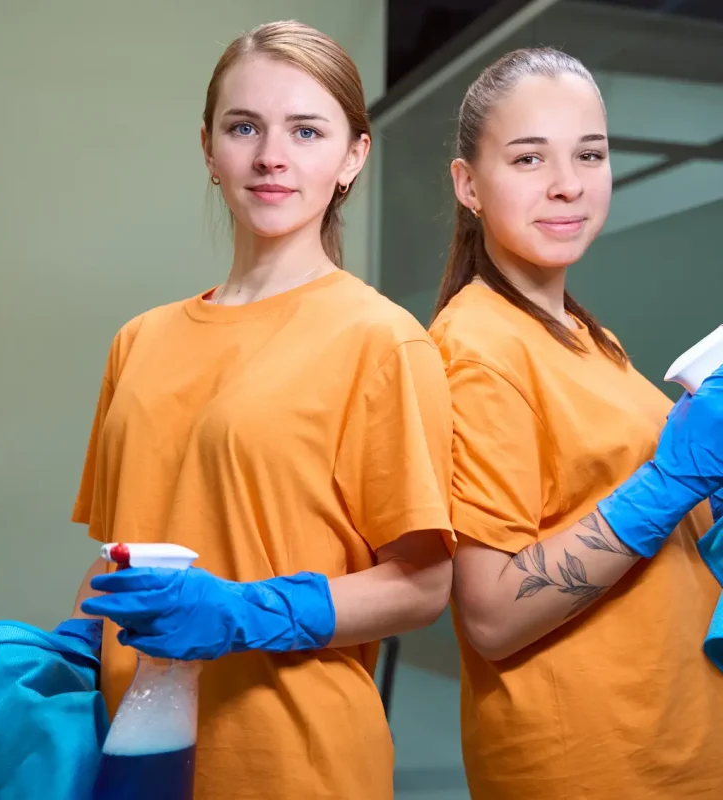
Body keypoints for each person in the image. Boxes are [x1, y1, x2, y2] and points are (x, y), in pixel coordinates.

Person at [71, 21, 456, 800]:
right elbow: (121, 550)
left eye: (306, 130)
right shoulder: (139, 341)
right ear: (210, 150)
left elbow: (421, 584)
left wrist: (250, 612)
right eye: (244, 127)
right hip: (136, 751)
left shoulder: (381, 340)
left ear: (353, 155)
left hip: (295, 761)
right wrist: (71, 651)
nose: (271, 156)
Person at [428, 47, 723, 799]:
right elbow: (491, 612)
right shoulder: (478, 348)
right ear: (468, 185)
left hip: (674, 746)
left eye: (589, 154)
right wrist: (670, 479)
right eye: (528, 159)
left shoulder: (586, 334)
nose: (568, 184)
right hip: (591, 766)